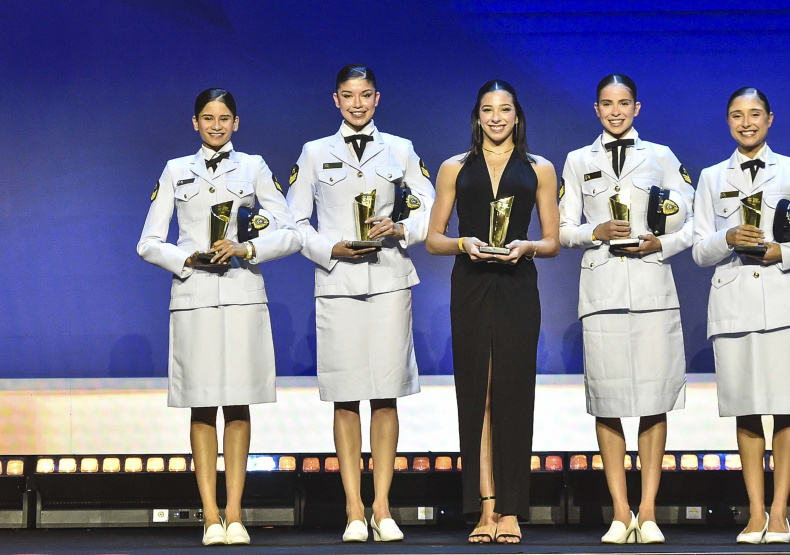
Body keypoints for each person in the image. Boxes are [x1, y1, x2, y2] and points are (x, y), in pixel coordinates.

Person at [137, 88, 302, 546]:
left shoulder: (254, 167)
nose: (215, 125)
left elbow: (289, 232)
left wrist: (246, 247)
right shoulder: (175, 170)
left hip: (242, 293)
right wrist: (187, 259)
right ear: (194, 122)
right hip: (193, 297)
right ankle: (209, 515)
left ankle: (235, 514)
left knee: (239, 402)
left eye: (224, 117)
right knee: (202, 401)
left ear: (236, 123)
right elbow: (148, 242)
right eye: (207, 118)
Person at [285, 64, 435, 543]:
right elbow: (293, 222)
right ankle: (353, 508)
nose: (357, 103)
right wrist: (330, 248)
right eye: (348, 96)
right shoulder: (314, 152)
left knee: (386, 391)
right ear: (335, 100)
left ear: (377, 98)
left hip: (390, 276)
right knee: (346, 393)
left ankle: (383, 506)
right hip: (337, 281)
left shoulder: (401, 149)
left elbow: (432, 206)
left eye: (365, 95)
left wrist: (401, 228)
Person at [692, 87, 790, 544]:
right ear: (727, 122)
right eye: (737, 116)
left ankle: (780, 512)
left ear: (770, 119)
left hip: (784, 300)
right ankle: (755, 512)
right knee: (745, 408)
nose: (746, 123)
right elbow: (700, 250)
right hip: (733, 302)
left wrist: (786, 251)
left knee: (784, 405)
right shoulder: (709, 176)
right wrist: (727, 239)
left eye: (755, 114)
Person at [559, 73, 693, 544]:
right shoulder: (578, 160)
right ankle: (620, 512)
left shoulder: (662, 157)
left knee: (655, 402)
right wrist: (594, 232)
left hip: (653, 287)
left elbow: (693, 224)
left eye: (624, 103)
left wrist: (662, 242)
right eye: (606, 104)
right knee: (609, 401)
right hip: (602, 292)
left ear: (638, 107)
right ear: (596, 109)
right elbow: (561, 228)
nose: (615, 111)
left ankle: (649, 511)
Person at [426, 80, 559, 544]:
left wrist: (528, 248)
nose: (496, 117)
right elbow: (434, 238)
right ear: (477, 116)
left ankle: (511, 510)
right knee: (477, 395)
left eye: (505, 109)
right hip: (472, 283)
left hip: (519, 284)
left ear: (517, 116)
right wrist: (465, 244)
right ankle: (484, 506)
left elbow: (553, 241)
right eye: (488, 109)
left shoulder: (540, 168)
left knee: (514, 394)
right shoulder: (453, 168)